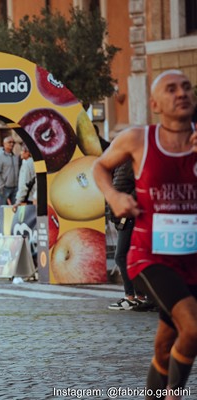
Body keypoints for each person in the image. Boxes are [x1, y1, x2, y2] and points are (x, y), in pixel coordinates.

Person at [93, 70, 197, 399]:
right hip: (150, 254)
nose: (181, 93)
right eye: (171, 89)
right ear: (154, 103)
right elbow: (100, 167)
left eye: (186, 87)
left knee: (167, 344)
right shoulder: (138, 139)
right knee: (193, 328)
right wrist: (114, 196)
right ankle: (173, 395)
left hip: (192, 256)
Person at [107, 160, 149, 311]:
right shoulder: (121, 164)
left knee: (121, 256)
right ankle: (138, 296)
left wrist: (126, 203)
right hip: (122, 216)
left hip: (129, 216)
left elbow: (140, 187)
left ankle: (132, 296)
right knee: (128, 256)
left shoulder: (132, 163)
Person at [0, 136, 20, 206]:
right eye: (9, 142)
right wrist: (1, 186)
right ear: (4, 144)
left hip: (15, 187)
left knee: (15, 208)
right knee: (3, 208)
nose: (11, 144)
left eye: (13, 142)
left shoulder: (15, 157)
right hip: (4, 188)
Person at [12, 145, 36, 211]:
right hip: (35, 197)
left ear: (27, 153)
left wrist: (18, 201)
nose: (20, 153)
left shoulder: (27, 165)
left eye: (22, 151)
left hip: (29, 199)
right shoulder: (36, 163)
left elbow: (24, 184)